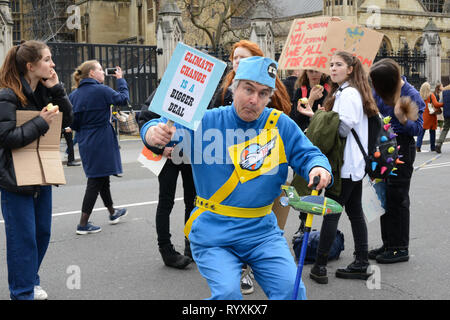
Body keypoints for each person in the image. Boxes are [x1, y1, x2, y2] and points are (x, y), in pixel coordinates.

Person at [141, 56, 332, 300]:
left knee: (291, 292)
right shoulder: (206, 121)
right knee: (228, 295)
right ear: (235, 87)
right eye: (248, 89)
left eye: (263, 93)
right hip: (213, 233)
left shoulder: (279, 125)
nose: (254, 100)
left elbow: (308, 154)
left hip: (262, 232)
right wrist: (151, 133)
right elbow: (159, 126)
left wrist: (318, 168)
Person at [208, 40, 293, 294]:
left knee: (268, 223)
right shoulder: (223, 91)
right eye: (234, 57)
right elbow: (202, 123)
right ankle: (239, 269)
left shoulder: (273, 99)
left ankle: (257, 266)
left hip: (267, 169)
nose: (237, 62)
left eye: (243, 58)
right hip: (227, 170)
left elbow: (290, 133)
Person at [0, 40, 73, 300]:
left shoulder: (44, 91)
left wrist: (57, 90)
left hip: (42, 175)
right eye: (47, 59)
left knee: (42, 234)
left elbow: (70, 120)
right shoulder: (7, 94)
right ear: (30, 66)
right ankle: (21, 293)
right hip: (15, 180)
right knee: (23, 242)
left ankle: (30, 280)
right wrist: (41, 123)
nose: (52, 65)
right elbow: (6, 138)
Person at [304, 51, 379, 284]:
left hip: (345, 165)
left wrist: (319, 120)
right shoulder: (351, 92)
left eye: (338, 65)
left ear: (350, 69)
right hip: (354, 164)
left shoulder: (348, 94)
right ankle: (361, 262)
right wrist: (319, 114)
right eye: (331, 64)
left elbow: (343, 128)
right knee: (355, 211)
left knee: (331, 212)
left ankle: (320, 266)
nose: (332, 68)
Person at [368, 58, 424, 264]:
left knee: (398, 197)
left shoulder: (411, 94)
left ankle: (399, 247)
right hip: (383, 144)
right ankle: (388, 243)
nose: (373, 88)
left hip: (402, 146)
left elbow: (418, 129)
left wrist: (403, 120)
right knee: (385, 196)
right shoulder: (380, 91)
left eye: (376, 84)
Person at [69, 60, 129, 235]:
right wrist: (120, 80)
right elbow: (124, 99)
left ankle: (112, 212)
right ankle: (83, 223)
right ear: (91, 74)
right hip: (101, 139)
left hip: (85, 141)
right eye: (100, 70)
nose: (103, 73)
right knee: (95, 181)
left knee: (101, 177)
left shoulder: (74, 95)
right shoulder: (101, 90)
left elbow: (73, 123)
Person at [138, 91, 195, 269]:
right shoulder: (166, 89)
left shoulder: (202, 90)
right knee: (166, 202)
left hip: (190, 154)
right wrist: (159, 150)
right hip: (167, 155)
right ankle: (166, 251)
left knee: (192, 201)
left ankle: (191, 246)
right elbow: (145, 118)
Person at [415, 82, 443, 152]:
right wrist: (443, 104)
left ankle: (418, 146)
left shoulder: (419, 96)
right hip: (431, 116)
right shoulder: (431, 95)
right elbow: (436, 105)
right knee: (432, 132)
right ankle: (432, 147)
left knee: (421, 132)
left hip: (422, 116)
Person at [436, 87, 450, 153]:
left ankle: (439, 143)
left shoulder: (444, 93)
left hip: (447, 114)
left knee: (445, 129)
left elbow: (440, 103)